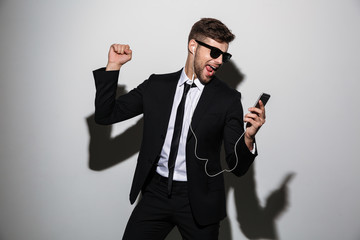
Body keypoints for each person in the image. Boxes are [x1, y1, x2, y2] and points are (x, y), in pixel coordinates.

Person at [93, 18, 266, 240]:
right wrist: (114, 66)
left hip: (199, 200)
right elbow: (106, 115)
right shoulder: (157, 86)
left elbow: (237, 167)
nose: (220, 60)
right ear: (193, 46)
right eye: (214, 52)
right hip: (156, 192)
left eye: (225, 55)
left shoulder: (228, 99)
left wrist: (249, 138)